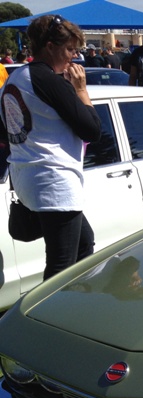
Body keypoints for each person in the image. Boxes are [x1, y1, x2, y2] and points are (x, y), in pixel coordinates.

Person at [0, 14, 101, 279]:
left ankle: (77, 296)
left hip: (28, 177)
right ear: (50, 47)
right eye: (69, 49)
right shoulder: (49, 81)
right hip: (54, 181)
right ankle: (56, 305)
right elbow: (92, 130)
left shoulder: (13, 79)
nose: (74, 57)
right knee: (61, 266)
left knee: (83, 243)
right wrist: (81, 90)